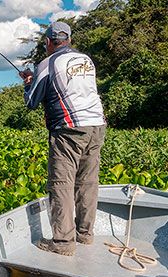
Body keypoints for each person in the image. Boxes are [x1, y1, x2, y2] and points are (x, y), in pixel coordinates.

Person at [19, 21, 106, 256]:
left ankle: (63, 243)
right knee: (88, 182)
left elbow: (31, 102)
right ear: (68, 39)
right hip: (97, 125)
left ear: (48, 42)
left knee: (61, 184)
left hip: (68, 130)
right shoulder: (86, 60)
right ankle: (85, 235)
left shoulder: (48, 63)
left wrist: (28, 84)